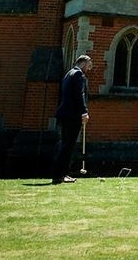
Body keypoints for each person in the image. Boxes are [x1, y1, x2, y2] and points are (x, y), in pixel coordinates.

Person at [52, 55, 92, 185]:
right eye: (88, 65)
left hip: (64, 114)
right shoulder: (78, 75)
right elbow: (79, 95)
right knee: (68, 146)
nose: (89, 68)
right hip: (72, 115)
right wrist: (84, 112)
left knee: (65, 145)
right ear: (83, 63)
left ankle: (61, 174)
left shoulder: (69, 73)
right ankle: (59, 175)